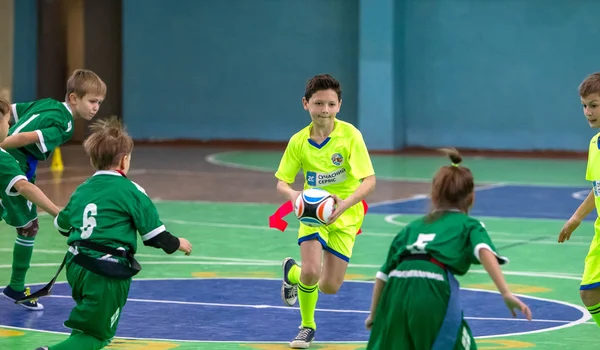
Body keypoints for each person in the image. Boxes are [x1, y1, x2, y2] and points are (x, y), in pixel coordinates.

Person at [34, 116, 192, 350]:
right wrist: (179, 243)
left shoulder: (83, 189)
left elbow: (62, 225)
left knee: (84, 328)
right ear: (125, 160)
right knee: (96, 336)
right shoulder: (131, 190)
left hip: (76, 266)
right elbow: (155, 237)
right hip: (105, 270)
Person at [365, 148, 532, 349]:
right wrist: (505, 292)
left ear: (434, 195)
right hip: (431, 286)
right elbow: (483, 250)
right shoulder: (468, 225)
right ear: (471, 197)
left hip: (395, 289)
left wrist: (375, 315)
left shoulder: (410, 228)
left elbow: (382, 276)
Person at [274, 74, 376, 348]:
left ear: (339, 105)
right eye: (318, 104)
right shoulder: (298, 141)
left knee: (330, 286)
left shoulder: (350, 136)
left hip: (345, 214)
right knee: (311, 271)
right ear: (305, 104)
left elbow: (370, 181)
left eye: (331, 104)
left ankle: (290, 273)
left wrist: (343, 205)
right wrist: (295, 195)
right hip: (312, 212)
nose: (325, 110)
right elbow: (282, 182)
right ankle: (307, 326)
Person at [1, 69, 107, 310]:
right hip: (16, 160)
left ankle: (15, 286)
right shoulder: (64, 124)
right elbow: (26, 137)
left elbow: (10, 110)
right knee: (29, 226)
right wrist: (56, 211)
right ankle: (16, 287)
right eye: (92, 101)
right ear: (73, 98)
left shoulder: (47, 104)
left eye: (99, 103)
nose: (96, 108)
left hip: (15, 158)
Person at [559, 71, 600, 327]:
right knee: (589, 292)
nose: (588, 112)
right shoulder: (595, 144)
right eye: (584, 106)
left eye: (594, 105)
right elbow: (597, 189)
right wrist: (576, 217)